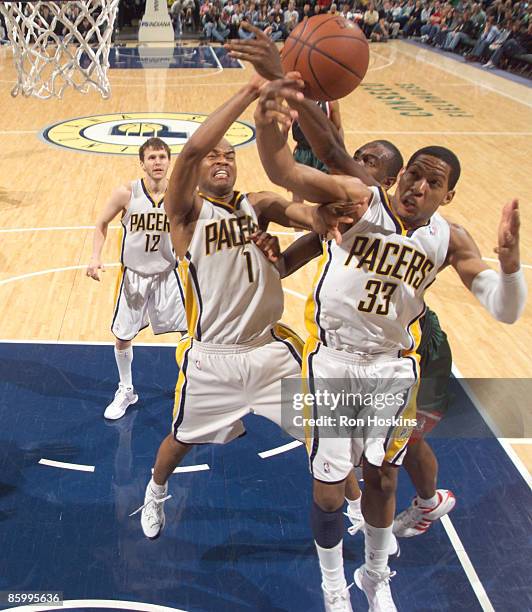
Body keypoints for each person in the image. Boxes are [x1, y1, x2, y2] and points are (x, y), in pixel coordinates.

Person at [253, 78, 527, 612]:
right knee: (330, 490)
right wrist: (279, 113)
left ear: (448, 195)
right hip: (330, 361)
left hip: (392, 367)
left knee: (382, 476)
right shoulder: (363, 203)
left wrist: (512, 267)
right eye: (413, 175)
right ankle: (334, 585)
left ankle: (375, 578)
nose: (418, 187)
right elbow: (296, 166)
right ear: (399, 177)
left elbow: (504, 309)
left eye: (433, 182)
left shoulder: (452, 237)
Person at [227, 24, 457, 545]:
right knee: (363, 452)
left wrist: (295, 87)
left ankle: (427, 502)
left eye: (373, 165)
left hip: (417, 342)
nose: (364, 170)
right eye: (365, 160)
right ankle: (372, 496)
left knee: (403, 443)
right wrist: (279, 260)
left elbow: (335, 158)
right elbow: (316, 235)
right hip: (354, 348)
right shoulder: (353, 209)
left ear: (389, 180)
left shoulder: (396, 208)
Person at [132, 72, 353, 541]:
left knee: (328, 434)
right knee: (180, 441)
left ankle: (355, 505)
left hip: (271, 351)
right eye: (216, 155)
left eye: (230, 156)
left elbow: (306, 221)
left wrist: (326, 219)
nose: (222, 161)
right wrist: (249, 93)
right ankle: (154, 492)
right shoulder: (185, 213)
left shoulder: (258, 204)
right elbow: (190, 152)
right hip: (213, 356)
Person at [86, 137, 186, 420]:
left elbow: (194, 228)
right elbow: (101, 223)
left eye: (162, 157)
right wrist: (95, 256)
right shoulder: (126, 193)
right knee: (122, 337)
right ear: (142, 163)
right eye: (152, 158)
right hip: (135, 278)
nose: (157, 162)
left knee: (189, 333)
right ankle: (126, 389)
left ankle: (194, 385)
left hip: (168, 276)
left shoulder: (180, 194)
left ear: (169, 161)